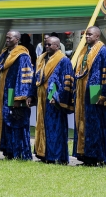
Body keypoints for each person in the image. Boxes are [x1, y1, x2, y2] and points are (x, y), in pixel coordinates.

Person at [72, 26, 106, 166]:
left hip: (96, 90)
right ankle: (86, 156)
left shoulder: (105, 51)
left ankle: (99, 157)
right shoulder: (83, 51)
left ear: (97, 36)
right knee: (83, 123)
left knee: (97, 124)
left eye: (89, 34)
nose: (87, 37)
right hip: (82, 92)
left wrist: (104, 96)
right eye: (85, 34)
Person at [30, 35, 74, 164]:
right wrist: (31, 95)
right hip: (41, 97)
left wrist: (57, 97)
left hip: (54, 100)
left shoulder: (63, 60)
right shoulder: (41, 59)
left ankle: (57, 156)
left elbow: (66, 80)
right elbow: (36, 78)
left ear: (57, 46)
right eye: (46, 44)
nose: (47, 46)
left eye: (50, 44)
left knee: (56, 128)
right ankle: (43, 153)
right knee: (42, 126)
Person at [0, 30, 33, 160]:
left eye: (10, 38)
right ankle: (9, 151)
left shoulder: (22, 56)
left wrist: (19, 97)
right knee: (7, 121)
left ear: (17, 39)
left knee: (16, 121)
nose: (7, 39)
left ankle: (20, 152)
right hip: (5, 93)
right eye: (6, 37)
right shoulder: (5, 53)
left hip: (13, 93)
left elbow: (25, 77)